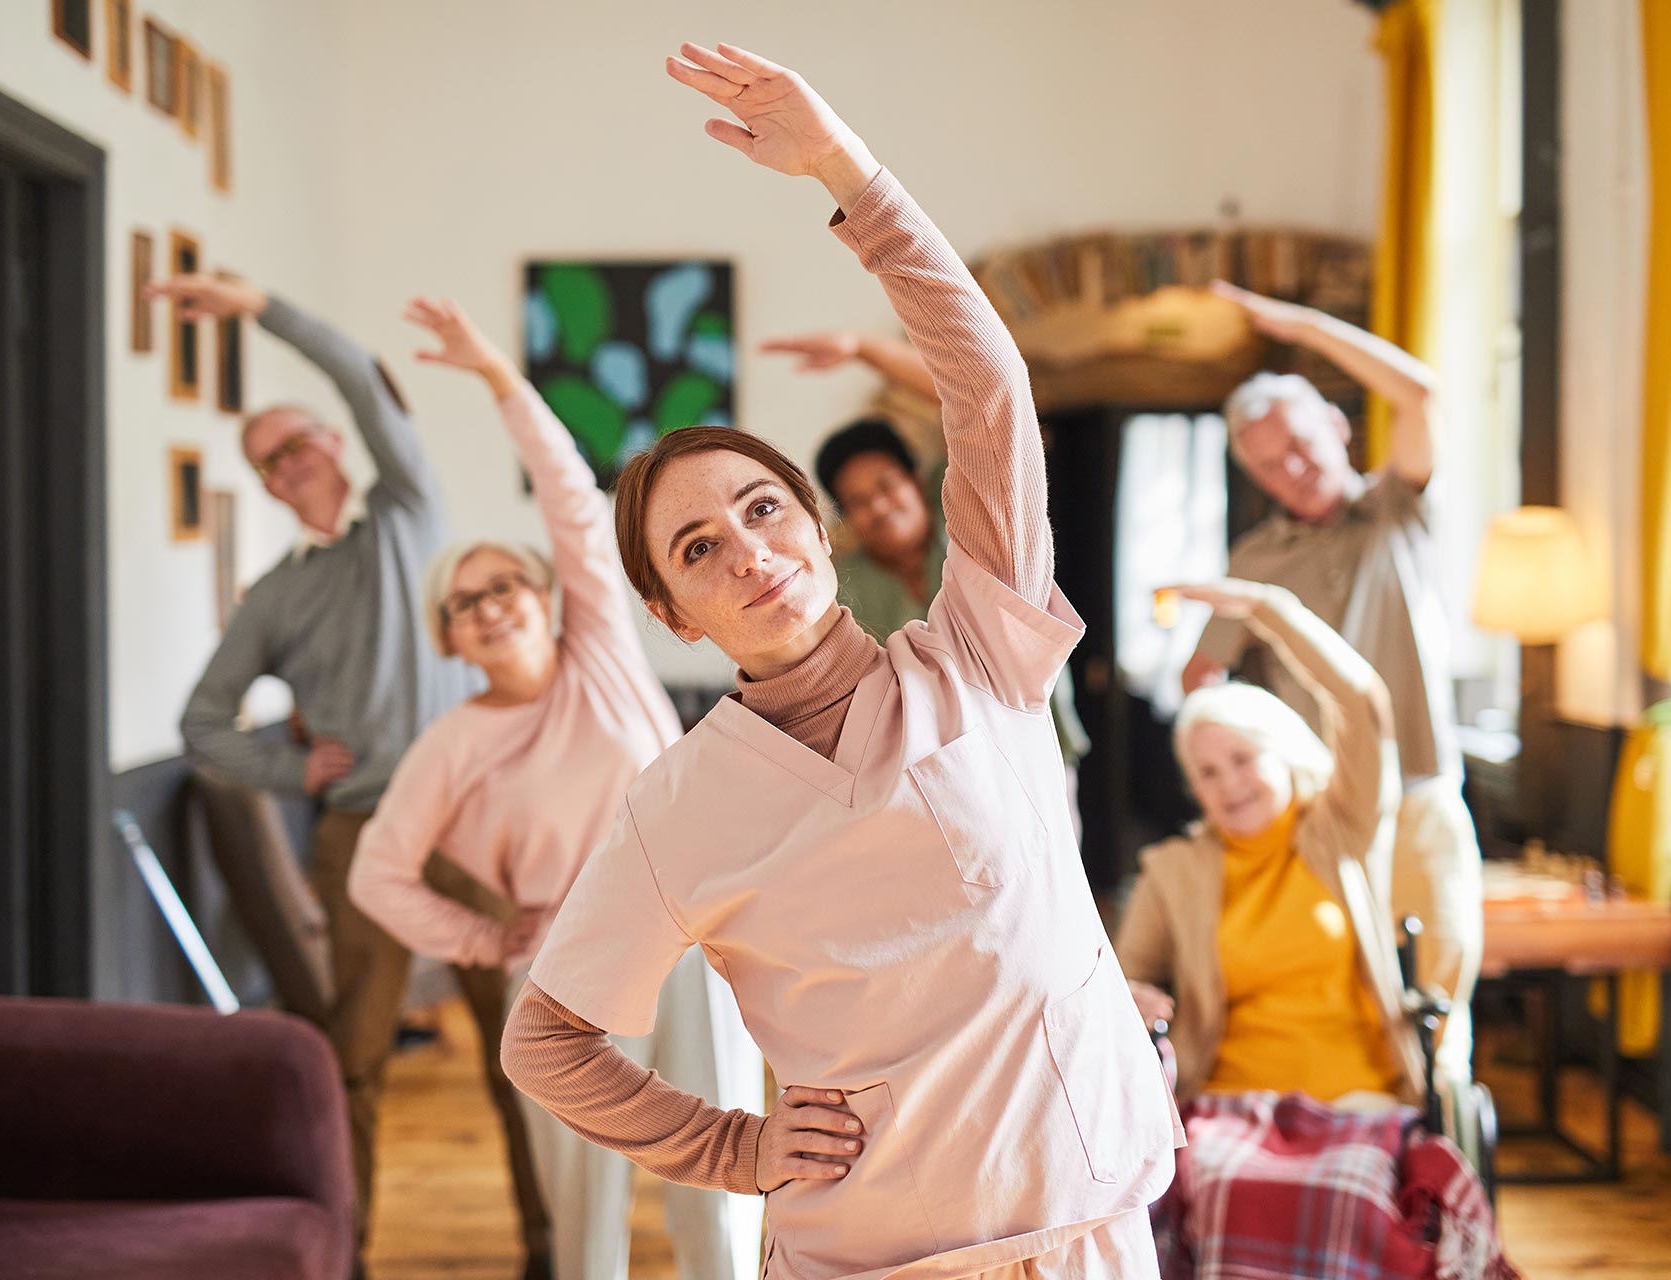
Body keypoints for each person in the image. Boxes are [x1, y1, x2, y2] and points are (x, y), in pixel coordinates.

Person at [502, 42, 1179, 1280]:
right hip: (870, 1250)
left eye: (763, 509)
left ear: (818, 529)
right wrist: (732, 1144)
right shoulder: (677, 804)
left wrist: (848, 173)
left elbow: (989, 390)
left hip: (1082, 1218)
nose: (748, 551)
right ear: (673, 614)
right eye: (699, 548)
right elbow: (544, 1041)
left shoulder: (977, 648)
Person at [347, 297, 764, 1280]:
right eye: (464, 601)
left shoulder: (602, 656)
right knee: (584, 1213)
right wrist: (484, 940)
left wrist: (499, 375)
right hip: (567, 964)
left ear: (546, 596)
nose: (489, 606)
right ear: (448, 636)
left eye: (505, 585)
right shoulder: (450, 744)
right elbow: (377, 874)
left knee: (722, 1190)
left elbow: (572, 497)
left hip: (693, 936)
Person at [166, 274, 545, 1270]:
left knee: (525, 1056)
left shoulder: (408, 515)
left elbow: (365, 383)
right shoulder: (275, 598)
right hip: (360, 837)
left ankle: (553, 1249)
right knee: (356, 1067)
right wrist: (288, 770)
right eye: (267, 463)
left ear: (335, 443)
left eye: (295, 443)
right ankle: (347, 1258)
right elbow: (201, 723)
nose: (285, 466)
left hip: (472, 825)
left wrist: (259, 308)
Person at [1179, 283, 1482, 1075]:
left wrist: (1303, 328)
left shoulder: (1396, 509)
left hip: (1419, 794)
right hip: (1321, 817)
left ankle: (1440, 1140)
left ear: (1339, 427)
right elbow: (1203, 678)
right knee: (1346, 1011)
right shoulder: (1254, 560)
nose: (1292, 468)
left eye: (1301, 443)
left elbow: (1420, 394)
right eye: (1269, 463)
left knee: (1436, 1018)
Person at [761, 340, 1093, 837]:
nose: (878, 506)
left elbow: (977, 404)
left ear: (916, 481)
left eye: (886, 485)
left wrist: (864, 350)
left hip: (1035, 746)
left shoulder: (965, 526)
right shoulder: (841, 586)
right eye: (858, 501)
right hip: (931, 784)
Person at [1117, 580, 1424, 1107]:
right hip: (1226, 1107)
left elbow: (1363, 704)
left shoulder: (1342, 830)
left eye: (1243, 759)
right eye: (1208, 773)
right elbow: (1125, 982)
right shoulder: (1172, 870)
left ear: (1284, 754)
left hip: (1355, 1103)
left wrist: (1270, 610)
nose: (1229, 785)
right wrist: (1131, 999)